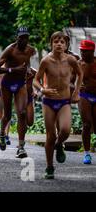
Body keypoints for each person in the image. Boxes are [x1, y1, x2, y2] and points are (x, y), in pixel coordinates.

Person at [34, 31, 83, 179]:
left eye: (62, 42)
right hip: (49, 102)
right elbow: (35, 80)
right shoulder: (46, 61)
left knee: (66, 130)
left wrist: (76, 92)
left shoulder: (71, 60)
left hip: (64, 101)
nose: (59, 44)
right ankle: (49, 167)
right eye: (56, 41)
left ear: (66, 45)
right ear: (51, 44)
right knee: (50, 136)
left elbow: (80, 74)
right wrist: (43, 90)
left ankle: (59, 145)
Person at [0, 27, 36, 158]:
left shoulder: (30, 50)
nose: (23, 40)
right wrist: (12, 70)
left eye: (26, 37)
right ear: (16, 37)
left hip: (20, 84)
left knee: (22, 114)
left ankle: (21, 147)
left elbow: (26, 63)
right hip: (6, 84)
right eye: (21, 37)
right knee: (8, 115)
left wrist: (28, 69)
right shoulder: (10, 50)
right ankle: (1, 132)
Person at [78, 39, 96, 165]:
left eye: (85, 51)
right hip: (84, 96)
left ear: (92, 51)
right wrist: (76, 87)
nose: (82, 53)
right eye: (81, 51)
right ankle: (87, 153)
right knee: (87, 124)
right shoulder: (78, 64)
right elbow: (68, 80)